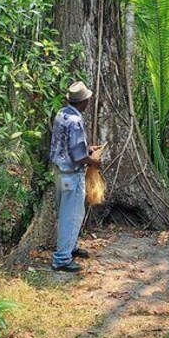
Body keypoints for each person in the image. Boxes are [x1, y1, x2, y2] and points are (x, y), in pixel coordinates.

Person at [48, 81, 102, 273]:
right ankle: (62, 259)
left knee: (67, 214)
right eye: (87, 99)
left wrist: (87, 149)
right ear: (83, 102)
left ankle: (69, 248)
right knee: (71, 216)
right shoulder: (76, 121)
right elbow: (78, 156)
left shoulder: (62, 114)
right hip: (71, 175)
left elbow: (66, 145)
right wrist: (93, 160)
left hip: (60, 172)